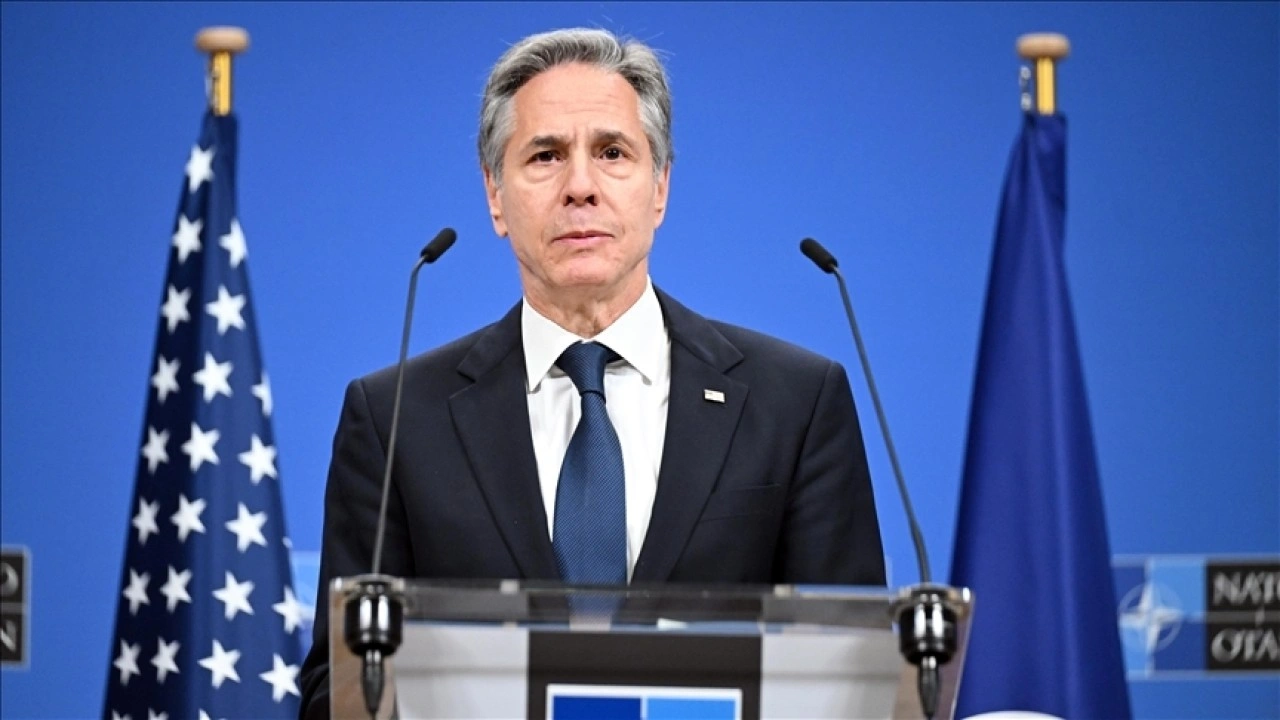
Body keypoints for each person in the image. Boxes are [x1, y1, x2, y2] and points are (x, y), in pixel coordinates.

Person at [299, 27, 885, 716]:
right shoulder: (395, 418)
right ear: (495, 196)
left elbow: (854, 678)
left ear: (659, 188)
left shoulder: (795, 403)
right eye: (545, 156)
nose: (580, 187)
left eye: (612, 153)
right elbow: (339, 691)